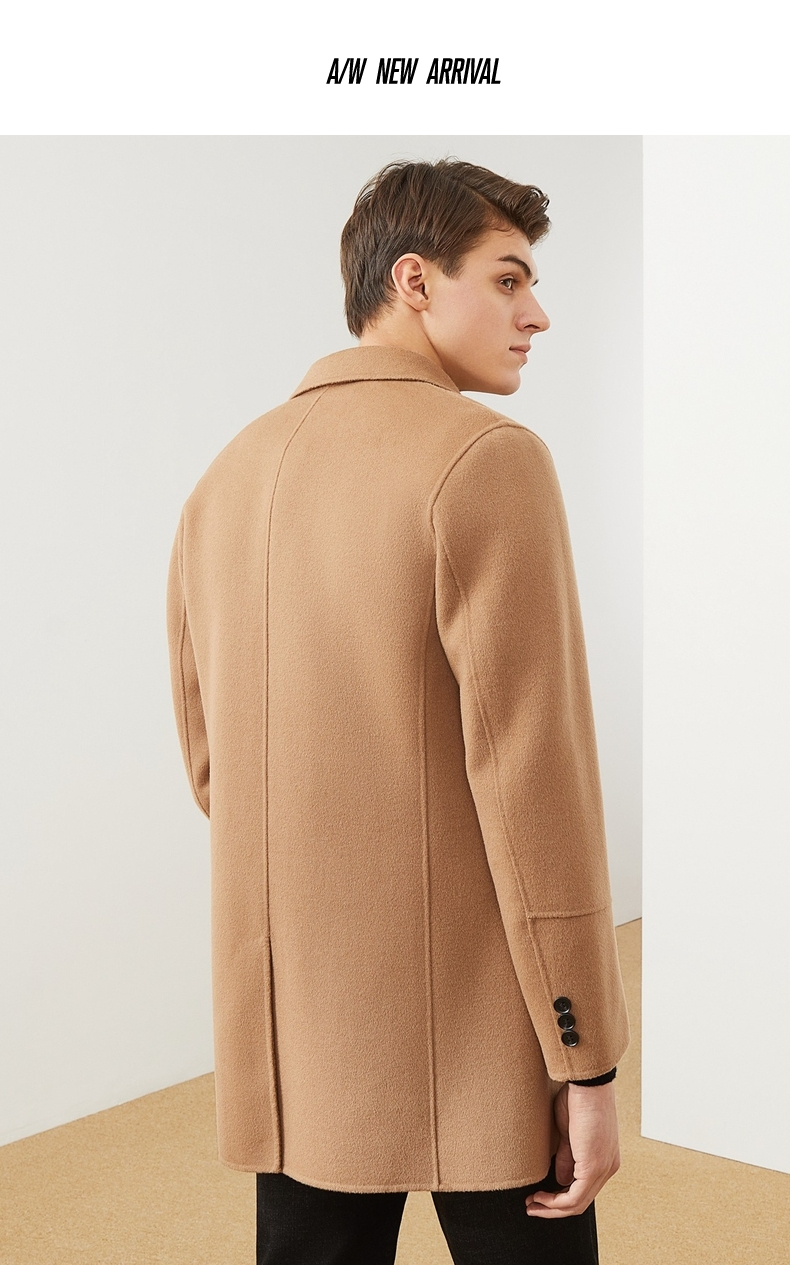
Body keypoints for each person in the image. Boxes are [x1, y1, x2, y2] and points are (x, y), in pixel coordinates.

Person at [166, 158, 631, 1264]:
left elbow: (211, 765)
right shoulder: (487, 461)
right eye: (509, 279)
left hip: (299, 1036)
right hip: (484, 1025)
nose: (537, 313)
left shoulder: (224, 479)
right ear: (414, 281)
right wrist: (587, 1059)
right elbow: (537, 789)